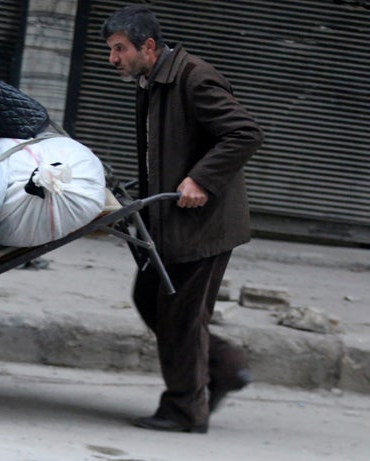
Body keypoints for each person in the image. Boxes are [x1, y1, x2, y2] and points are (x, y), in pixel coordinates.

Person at [101, 6, 264, 433]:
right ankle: (225, 366)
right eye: (111, 50)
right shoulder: (154, 83)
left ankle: (185, 410)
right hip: (171, 221)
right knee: (151, 298)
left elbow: (244, 132)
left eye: (119, 49)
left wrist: (201, 180)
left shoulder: (194, 77)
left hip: (202, 223)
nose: (112, 58)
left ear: (148, 47)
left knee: (181, 316)